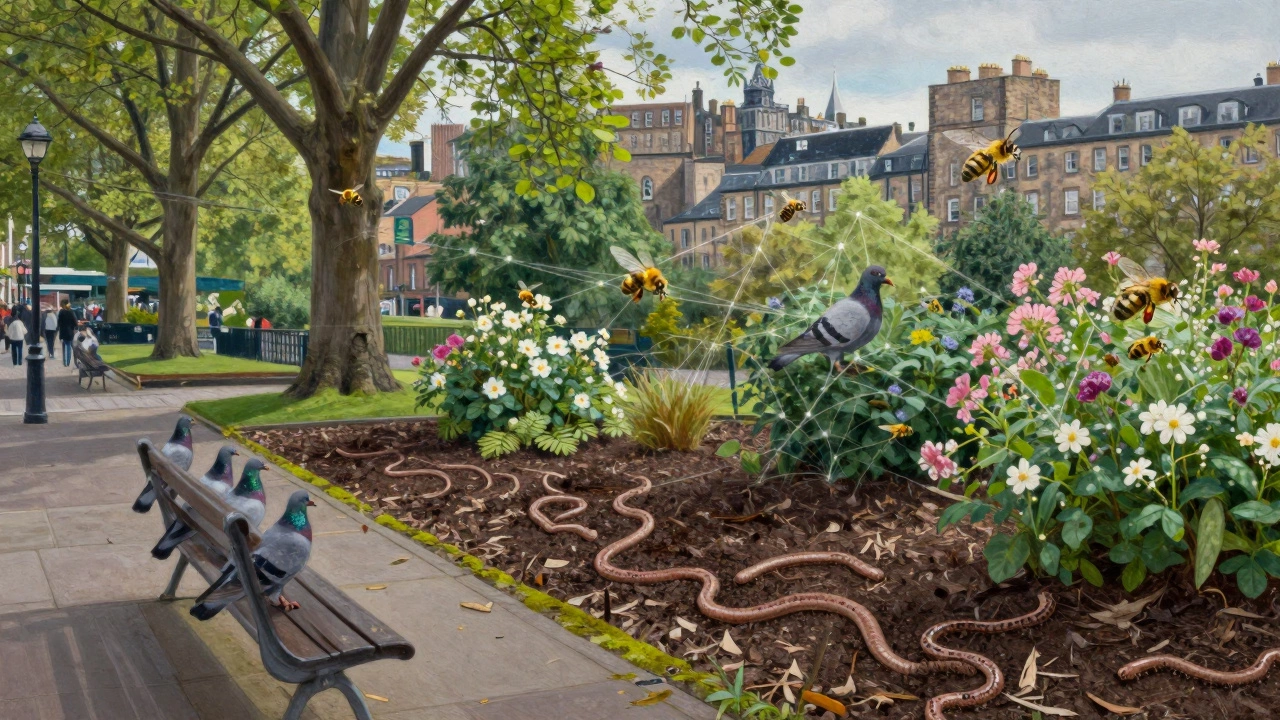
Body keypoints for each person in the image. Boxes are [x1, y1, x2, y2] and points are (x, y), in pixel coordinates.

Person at [57, 301, 77, 367]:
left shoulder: (61, 312)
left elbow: (59, 323)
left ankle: (65, 361)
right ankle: (68, 361)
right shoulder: (71, 312)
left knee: (65, 346)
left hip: (63, 331)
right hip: (70, 332)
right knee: (69, 347)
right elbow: (75, 323)